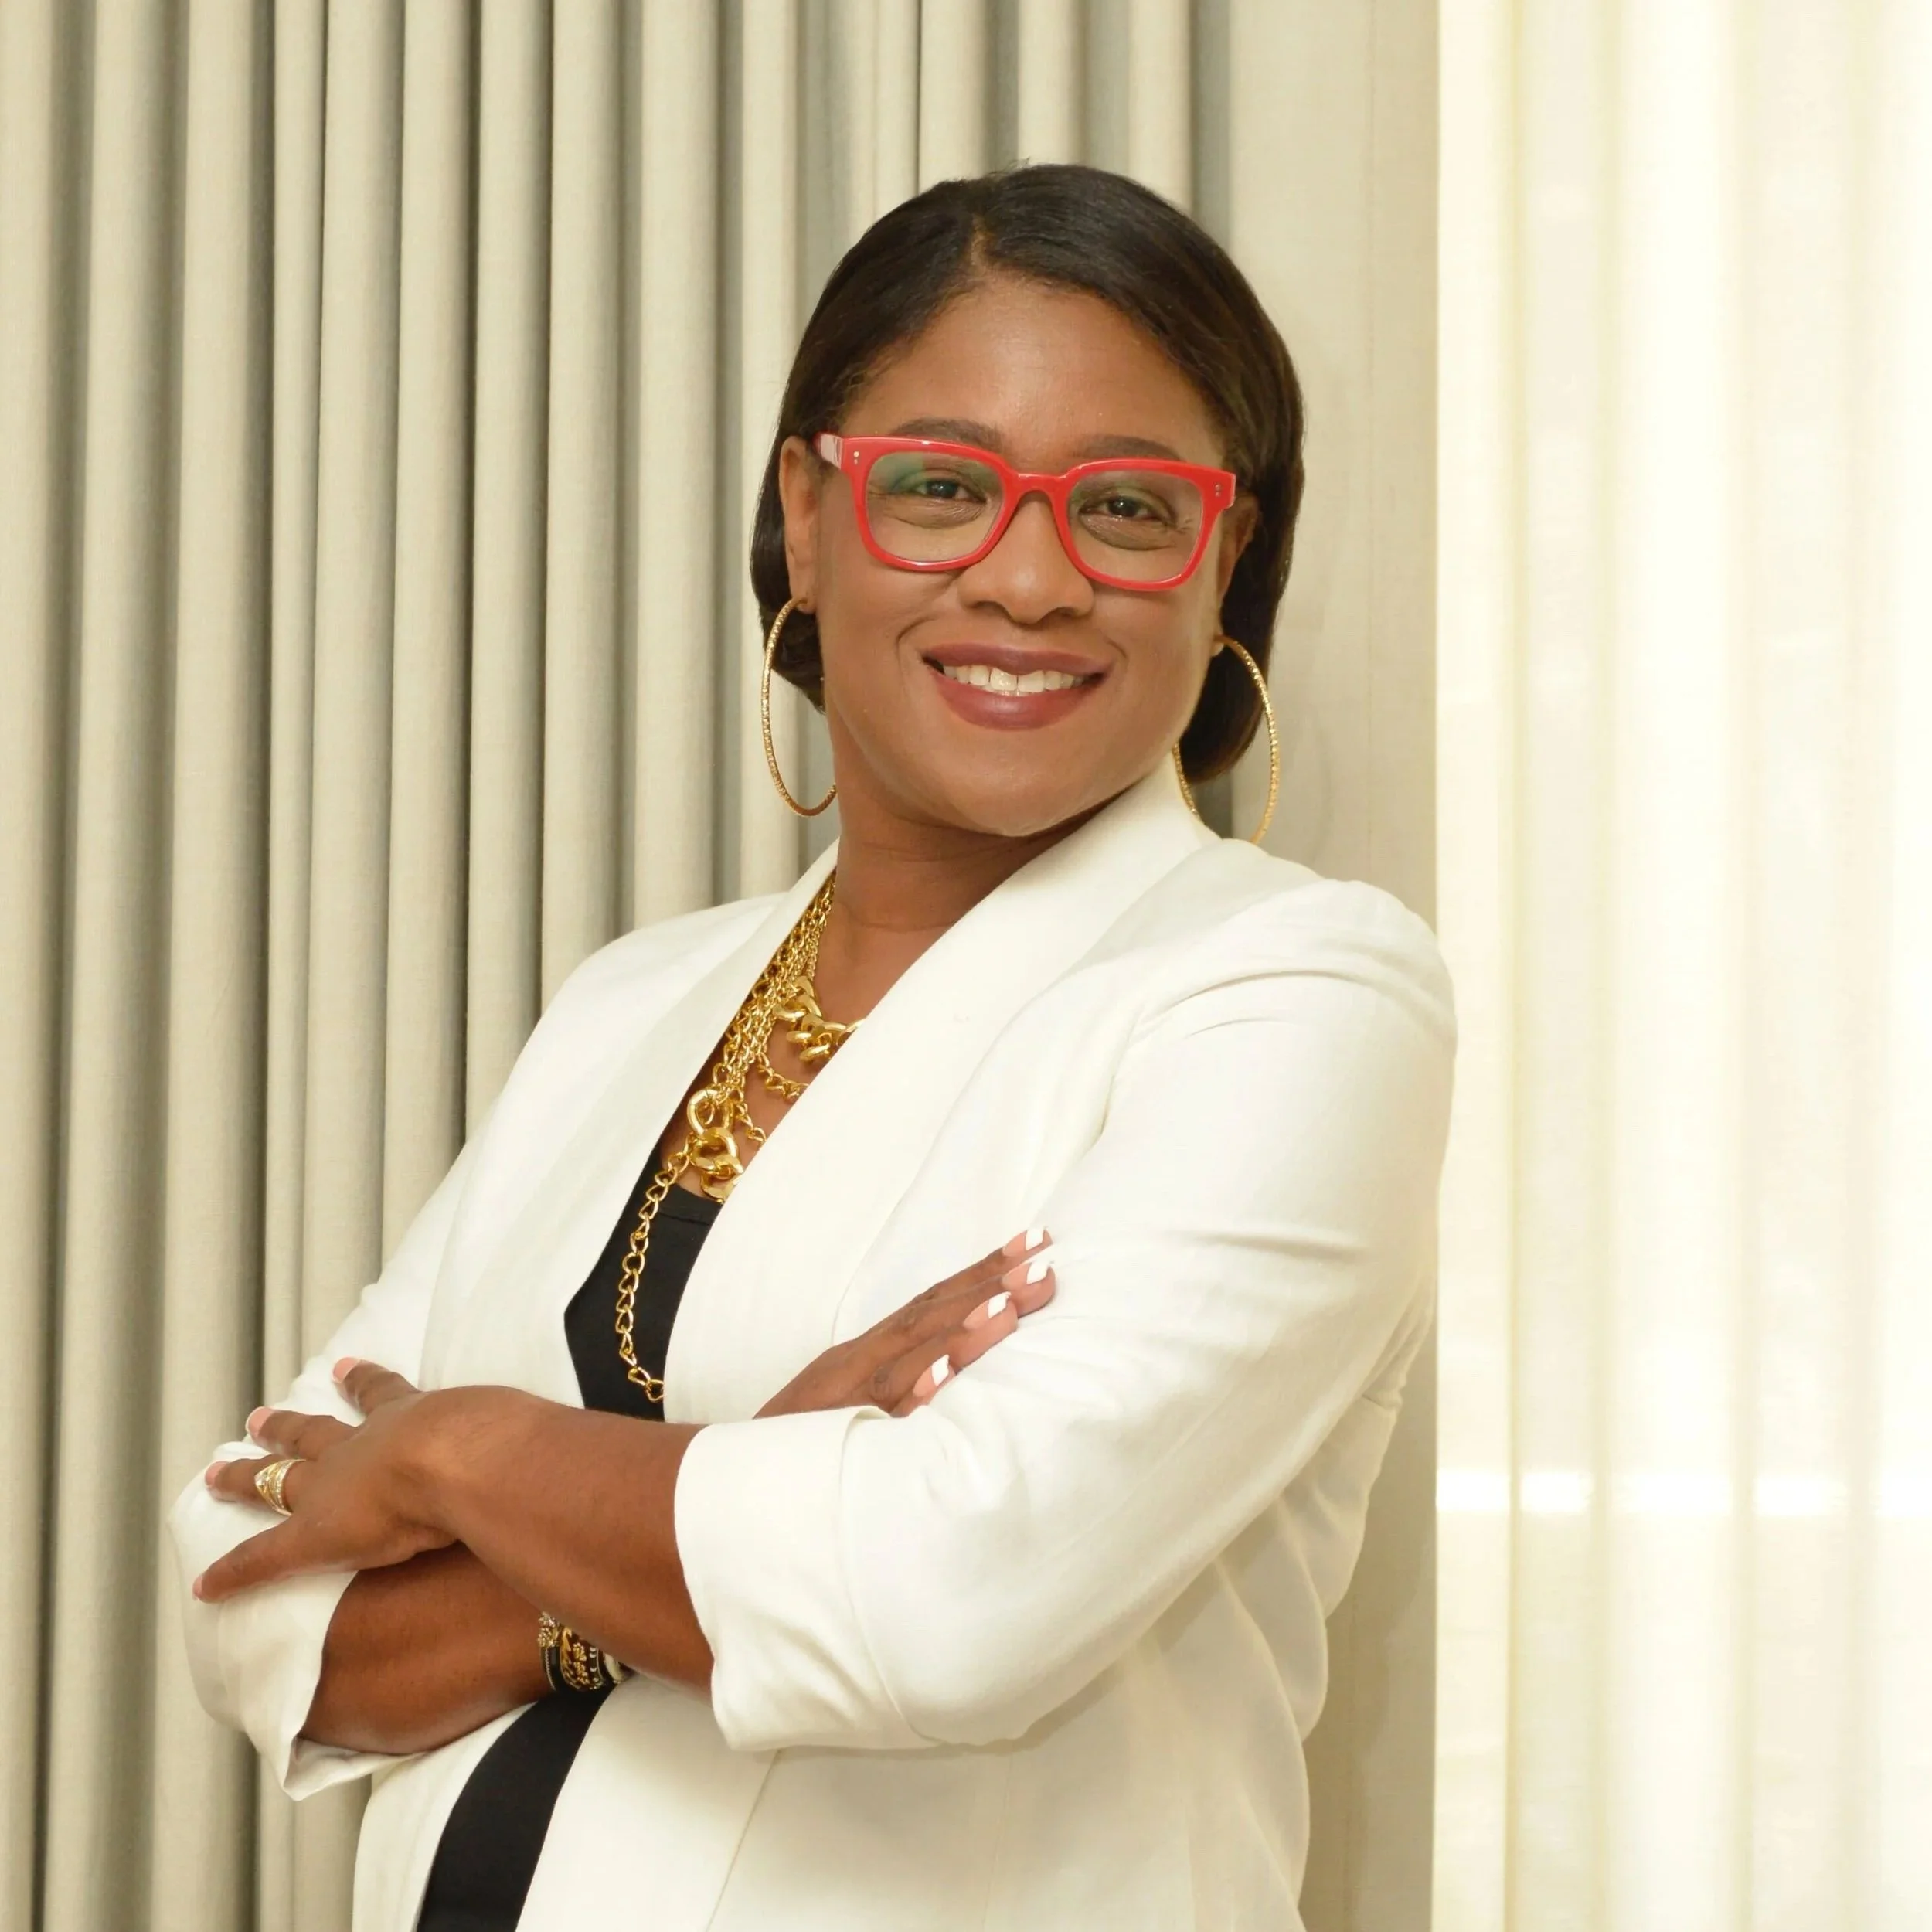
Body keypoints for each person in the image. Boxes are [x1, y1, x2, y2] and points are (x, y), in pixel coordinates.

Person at [171, 162, 1455, 1931]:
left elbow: (947, 1598)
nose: (1028, 577)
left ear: (1223, 552)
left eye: (1129, 509)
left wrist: (460, 1454)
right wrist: (760, 1471)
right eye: (940, 484)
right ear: (806, 505)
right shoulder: (629, 1000)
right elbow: (256, 1608)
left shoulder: (1290, 994)